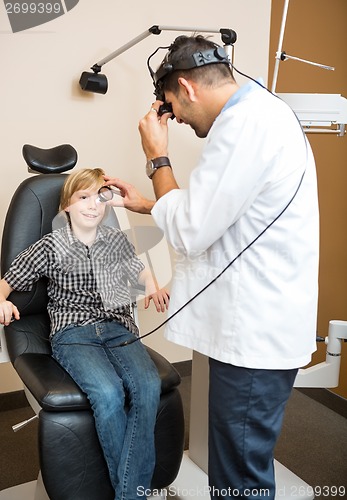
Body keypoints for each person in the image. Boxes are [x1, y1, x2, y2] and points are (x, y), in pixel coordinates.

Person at [105, 35, 320, 499]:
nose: (176, 119)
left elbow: (190, 229)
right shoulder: (264, 110)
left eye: (171, 108)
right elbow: (223, 211)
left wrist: (155, 156)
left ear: (186, 87)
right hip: (257, 326)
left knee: (239, 475)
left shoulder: (242, 127)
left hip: (252, 336)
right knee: (238, 462)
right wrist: (147, 204)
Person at [0, 167, 170, 500]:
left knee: (147, 386)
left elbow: (139, 267)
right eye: (83, 197)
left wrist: (152, 287)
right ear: (66, 205)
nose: (93, 205)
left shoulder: (115, 241)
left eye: (99, 197)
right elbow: (7, 281)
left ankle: (127, 494)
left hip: (118, 329)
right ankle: (134, 495)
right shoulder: (50, 246)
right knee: (107, 393)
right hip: (74, 333)